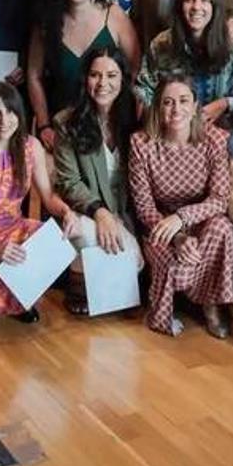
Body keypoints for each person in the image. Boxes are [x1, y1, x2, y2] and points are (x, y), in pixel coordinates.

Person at [0, 82, 80, 321]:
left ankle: (21, 296)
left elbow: (49, 197)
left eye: (10, 111)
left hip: (14, 226)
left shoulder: (31, 146)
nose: (4, 120)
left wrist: (66, 211)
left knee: (46, 237)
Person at [129, 75, 233, 338]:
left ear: (196, 105)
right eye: (167, 102)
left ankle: (211, 306)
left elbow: (220, 198)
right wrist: (177, 236)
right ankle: (165, 309)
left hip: (199, 218)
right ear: (157, 107)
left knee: (222, 226)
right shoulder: (141, 144)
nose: (176, 109)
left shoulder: (214, 139)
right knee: (177, 268)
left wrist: (183, 218)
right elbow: (144, 208)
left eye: (183, 101)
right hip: (160, 225)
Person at [53, 46, 144, 315]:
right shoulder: (66, 122)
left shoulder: (137, 119)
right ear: (85, 79)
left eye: (112, 75)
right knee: (85, 233)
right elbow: (69, 182)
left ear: (123, 79)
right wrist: (101, 212)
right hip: (88, 214)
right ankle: (80, 280)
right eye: (95, 75)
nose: (103, 83)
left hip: (126, 217)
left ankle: (96, 286)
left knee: (136, 262)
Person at [27, 0, 140, 152]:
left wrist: (121, 115)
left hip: (111, 128)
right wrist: (44, 125)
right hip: (62, 128)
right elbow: (34, 75)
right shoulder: (45, 22)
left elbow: (135, 69)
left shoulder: (113, 16)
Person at [134, 0, 233, 155]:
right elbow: (144, 90)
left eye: (204, 0)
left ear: (214, 7)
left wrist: (226, 104)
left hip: (222, 142)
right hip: (170, 138)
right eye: (189, 0)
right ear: (180, 6)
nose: (196, 7)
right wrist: (166, 117)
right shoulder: (161, 45)